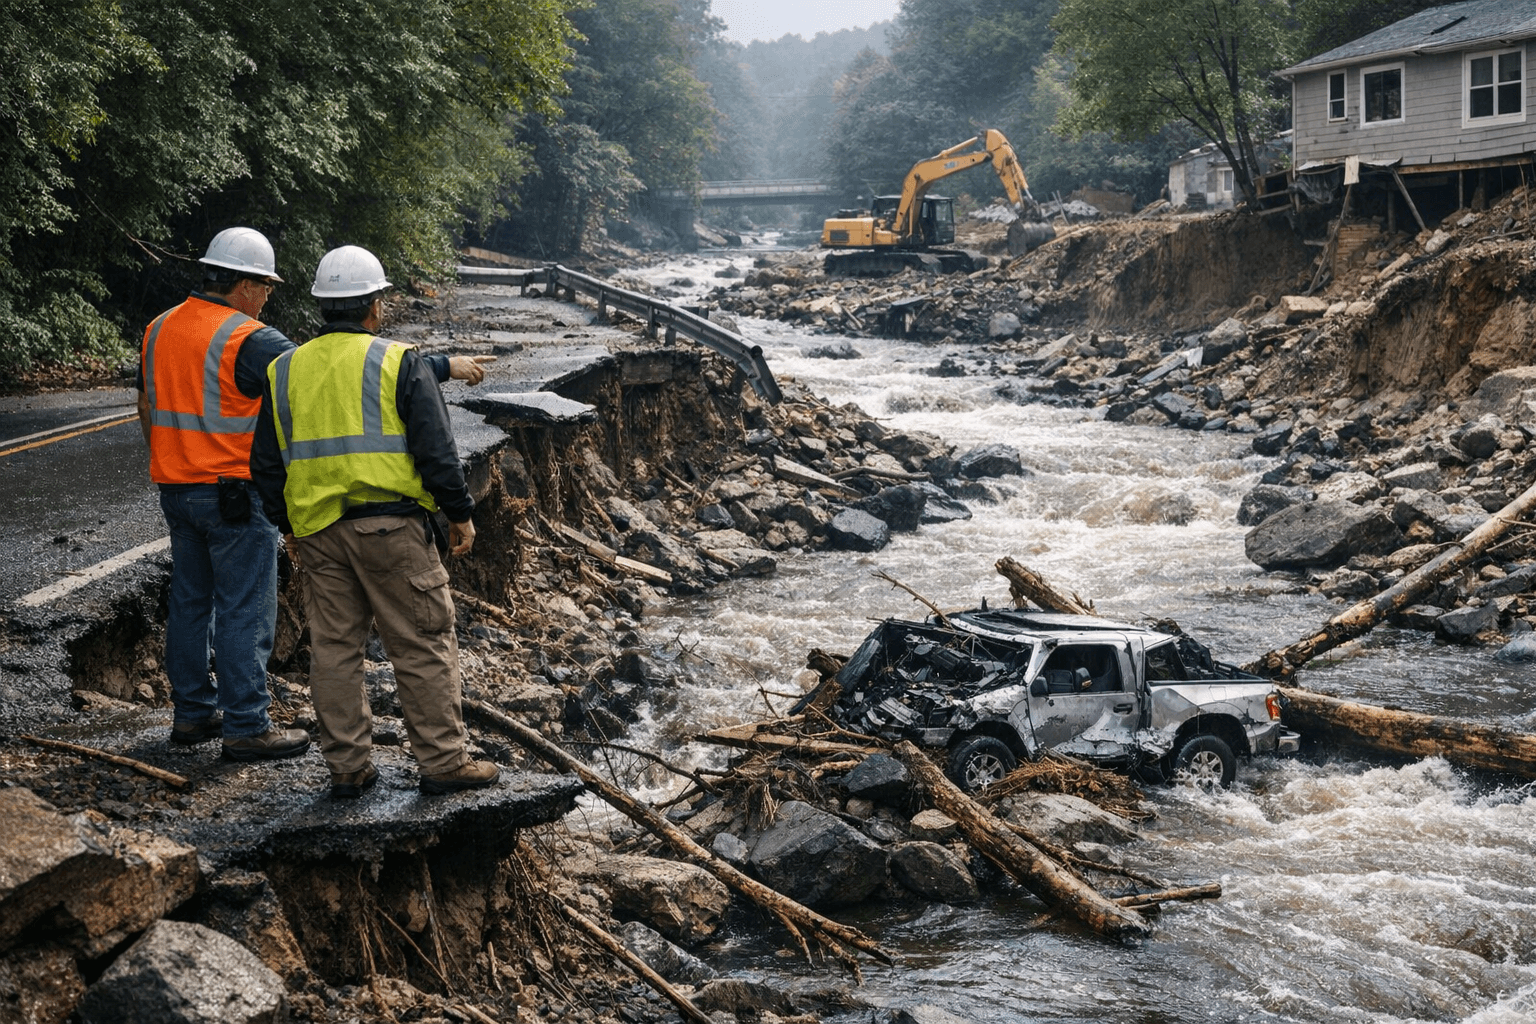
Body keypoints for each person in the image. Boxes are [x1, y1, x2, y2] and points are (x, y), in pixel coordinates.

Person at [250, 245, 500, 798]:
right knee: (421, 642)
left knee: (335, 649)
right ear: (375, 305)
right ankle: (442, 762)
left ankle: (348, 768)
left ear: (322, 305)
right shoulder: (397, 360)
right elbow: (437, 452)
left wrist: (288, 524)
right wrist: (460, 515)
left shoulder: (284, 368)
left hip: (317, 532)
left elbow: (265, 464)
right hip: (392, 531)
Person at [138, 227, 312, 761]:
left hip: (177, 489)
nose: (266, 300)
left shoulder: (159, 326)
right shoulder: (250, 339)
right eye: (266, 288)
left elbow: (147, 407)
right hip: (234, 495)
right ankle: (245, 726)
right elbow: (318, 385)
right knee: (243, 610)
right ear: (245, 284)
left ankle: (191, 716)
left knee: (191, 602)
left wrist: (174, 465)